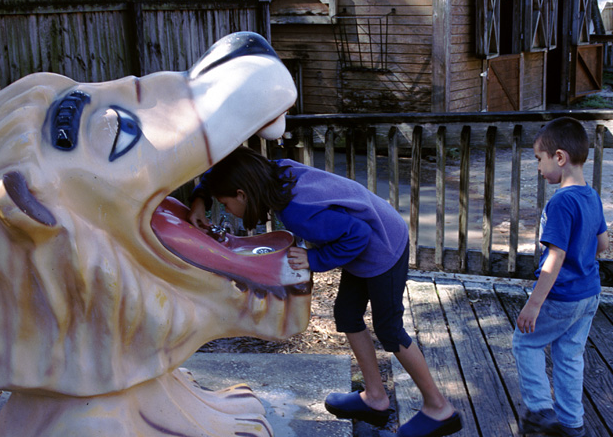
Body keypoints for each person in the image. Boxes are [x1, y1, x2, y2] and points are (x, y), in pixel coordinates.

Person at [187, 145, 462, 437]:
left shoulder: (297, 212)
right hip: (365, 243)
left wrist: (314, 260)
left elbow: (358, 235)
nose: (227, 211)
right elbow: (226, 170)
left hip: (384, 246)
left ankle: (439, 408)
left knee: (389, 330)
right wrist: (200, 198)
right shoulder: (275, 171)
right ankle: (375, 398)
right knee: (346, 315)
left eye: (225, 204)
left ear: (242, 194)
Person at [512, 117, 609, 437]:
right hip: (589, 293)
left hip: (562, 296)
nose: (539, 168)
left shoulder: (561, 202)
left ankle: (540, 412)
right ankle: (572, 424)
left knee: (525, 343)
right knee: (569, 356)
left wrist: (533, 304)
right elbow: (603, 244)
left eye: (539, 159)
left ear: (560, 157)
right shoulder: (591, 195)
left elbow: (554, 257)